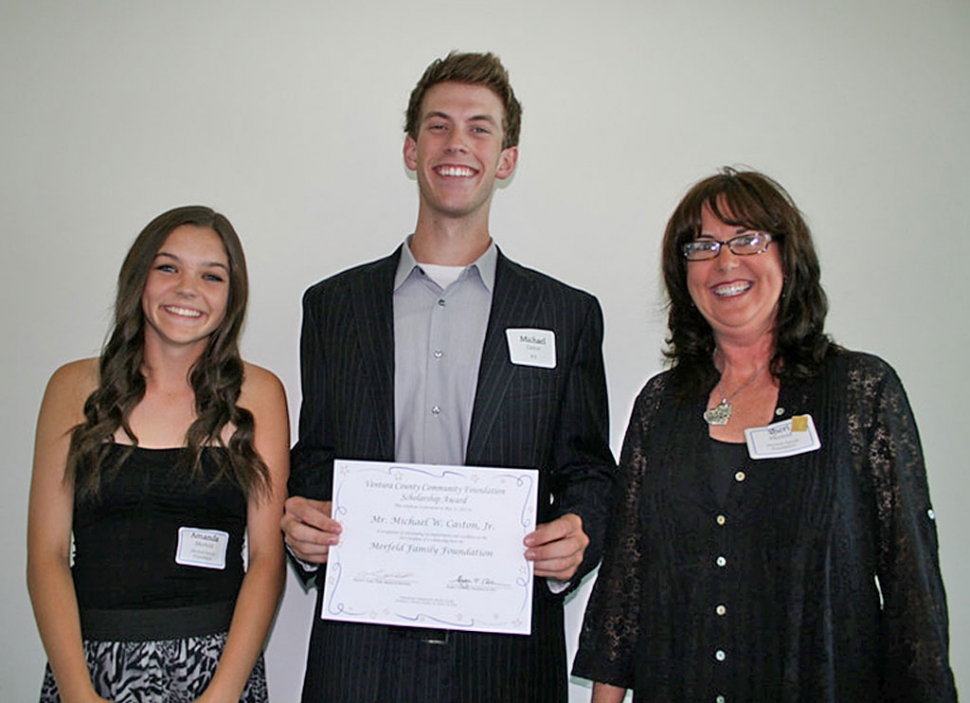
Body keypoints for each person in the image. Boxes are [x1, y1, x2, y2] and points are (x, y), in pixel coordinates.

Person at [282, 51, 615, 703]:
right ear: (411, 151)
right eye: (438, 125)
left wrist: (578, 530)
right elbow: (316, 455)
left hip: (507, 659)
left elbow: (589, 470)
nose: (456, 142)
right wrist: (304, 520)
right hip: (359, 654)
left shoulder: (566, 314)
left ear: (506, 159)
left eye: (479, 127)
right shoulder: (334, 307)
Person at [572, 168, 957, 702]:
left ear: (786, 255)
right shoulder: (660, 406)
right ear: (682, 273)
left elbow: (913, 595)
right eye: (702, 246)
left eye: (748, 238)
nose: (725, 261)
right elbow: (624, 586)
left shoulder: (863, 393)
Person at [27, 206, 289, 702]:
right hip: (91, 667)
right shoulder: (72, 387)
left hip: (217, 670)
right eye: (168, 267)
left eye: (212, 275)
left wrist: (223, 694)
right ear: (138, 277)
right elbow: (47, 554)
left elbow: (266, 560)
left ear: (232, 297)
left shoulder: (260, 394)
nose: (187, 288)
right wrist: (79, 693)